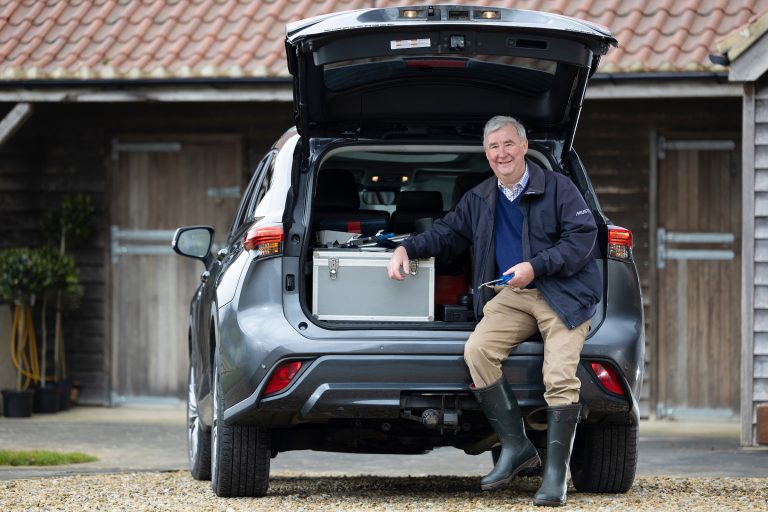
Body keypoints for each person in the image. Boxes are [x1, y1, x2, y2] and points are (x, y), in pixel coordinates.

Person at [387, 115, 602, 507]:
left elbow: (583, 239)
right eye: (493, 147)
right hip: (514, 294)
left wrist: (536, 266)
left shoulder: (559, 188)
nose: (501, 153)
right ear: (486, 155)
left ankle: (555, 479)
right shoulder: (481, 197)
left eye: (507, 144)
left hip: (565, 292)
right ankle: (516, 446)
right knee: (477, 351)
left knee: (558, 375)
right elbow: (447, 233)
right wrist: (406, 248)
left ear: (523, 147)